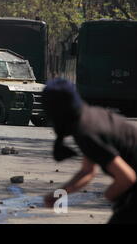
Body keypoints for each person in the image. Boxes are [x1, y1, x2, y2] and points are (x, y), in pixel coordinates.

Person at [42, 78, 137, 224]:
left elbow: (127, 177)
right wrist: (59, 194)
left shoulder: (86, 132)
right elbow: (88, 171)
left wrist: (110, 195)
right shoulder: (87, 117)